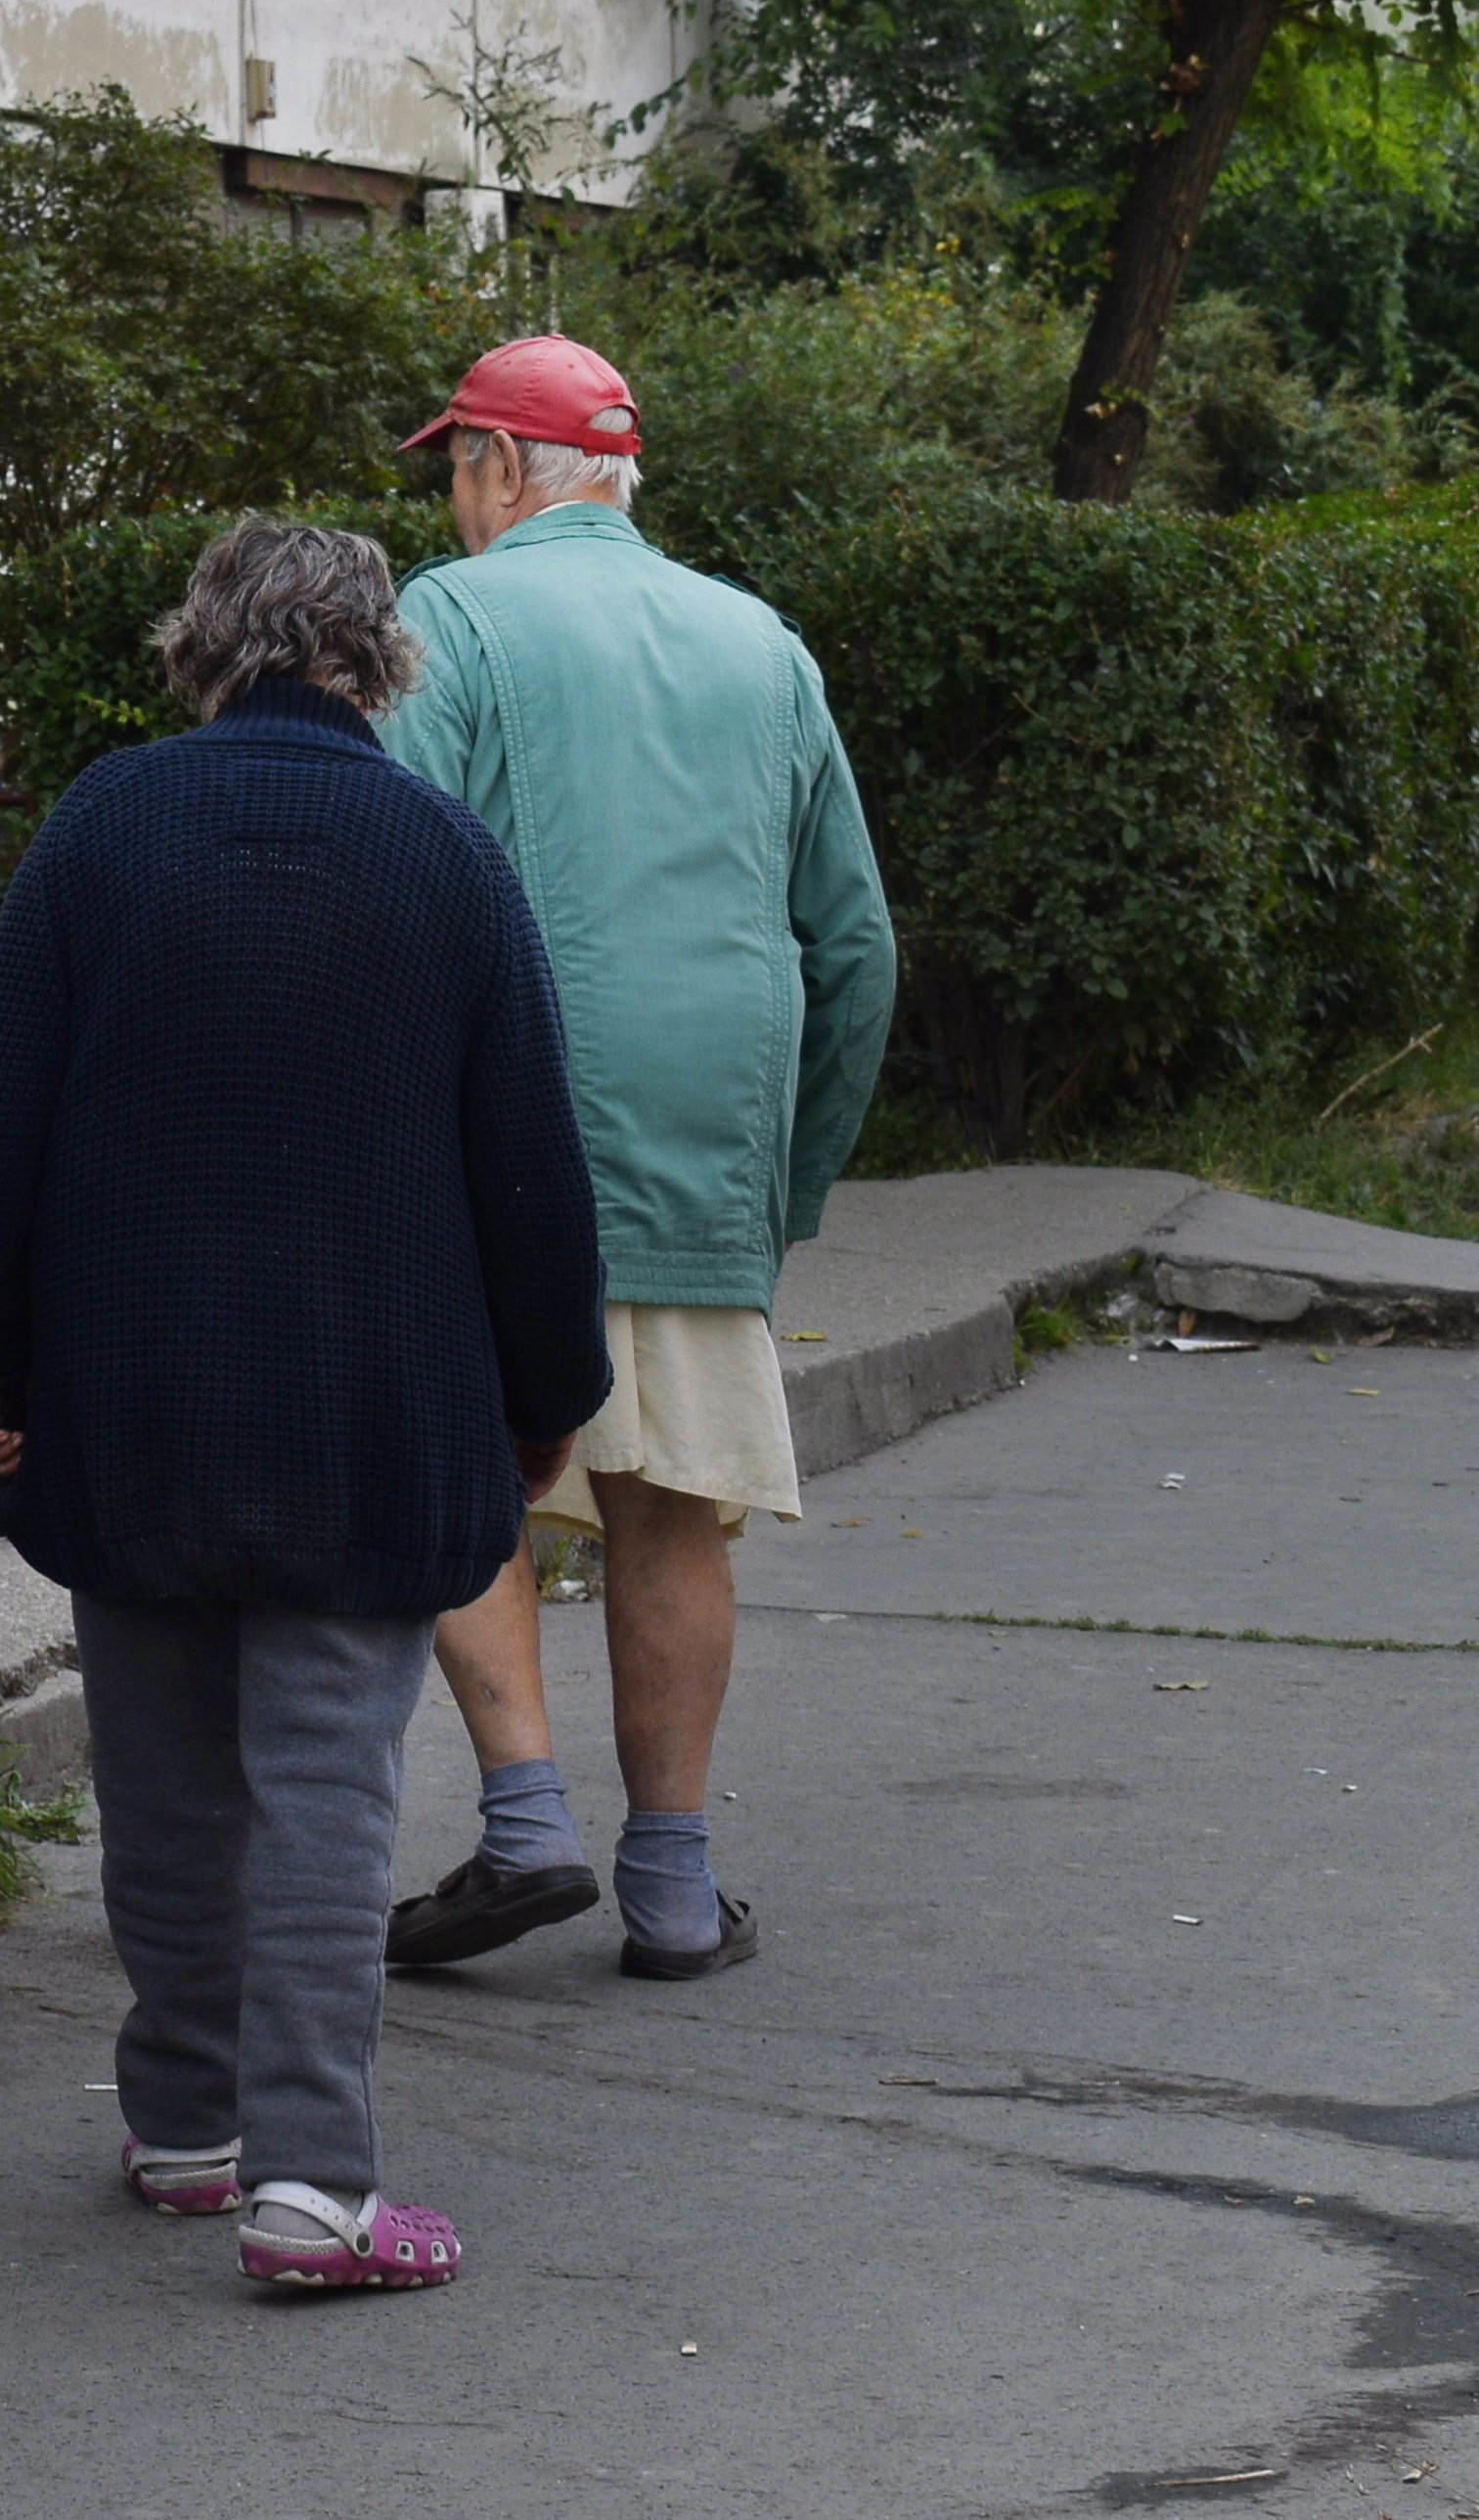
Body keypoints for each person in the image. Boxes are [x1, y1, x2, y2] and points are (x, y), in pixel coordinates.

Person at [0, 517, 609, 2297]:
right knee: (322, 1782)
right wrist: (544, 1403)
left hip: (126, 1396)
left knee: (155, 1774)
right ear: (377, 661)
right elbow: (529, 1174)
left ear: (198, 647)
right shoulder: (446, 855)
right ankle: (315, 2188)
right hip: (369, 1403)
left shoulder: (100, 830)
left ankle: (184, 2125)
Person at [375, 335, 898, 1986]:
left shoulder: (443, 620)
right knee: (674, 1511)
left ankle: (524, 1814)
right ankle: (671, 1884)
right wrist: (784, 1187)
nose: (451, 500)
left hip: (498, 1136)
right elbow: (855, 950)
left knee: (474, 1487)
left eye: (453, 465)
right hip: (702, 1147)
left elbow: (394, 886)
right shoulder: (763, 644)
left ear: (497, 469)